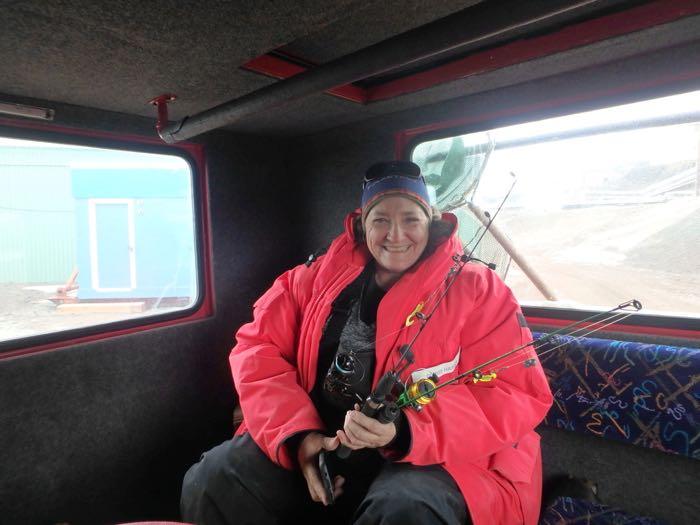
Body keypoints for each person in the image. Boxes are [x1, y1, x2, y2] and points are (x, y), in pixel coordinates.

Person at [180, 161, 553, 525]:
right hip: (322, 440)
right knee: (214, 479)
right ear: (362, 224)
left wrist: (406, 429)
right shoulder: (314, 276)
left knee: (406, 508)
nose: (395, 234)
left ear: (431, 221)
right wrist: (299, 438)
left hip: (432, 455)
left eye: (410, 219)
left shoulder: (480, 290)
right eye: (381, 220)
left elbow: (515, 390)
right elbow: (256, 350)